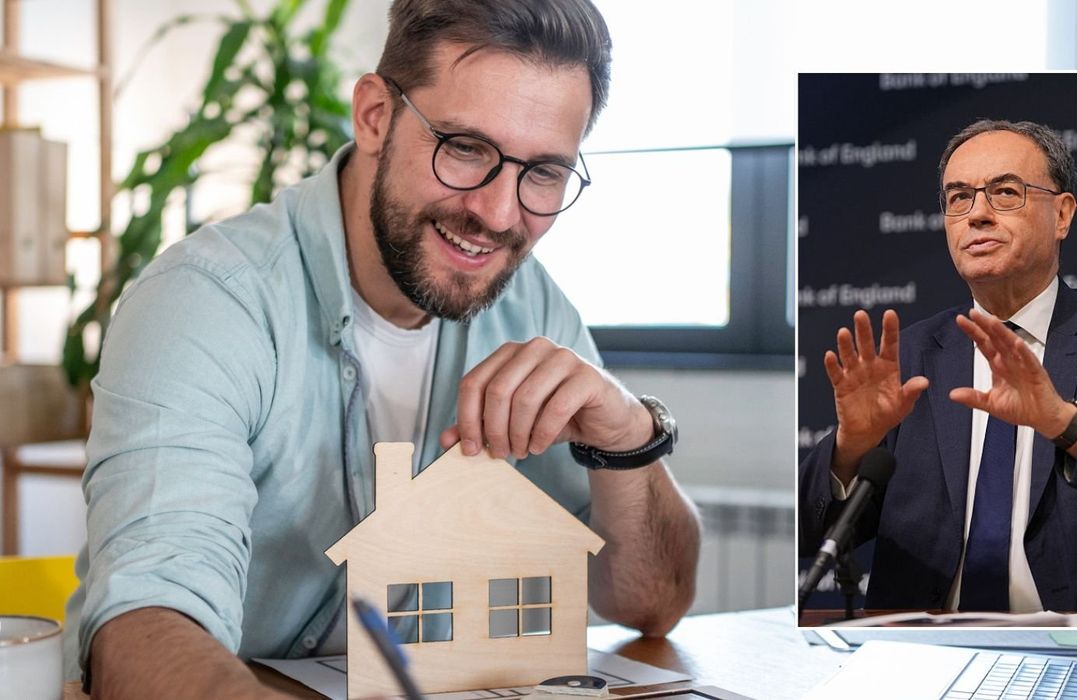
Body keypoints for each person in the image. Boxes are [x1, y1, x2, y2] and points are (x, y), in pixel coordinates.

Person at [66, 1, 700, 696]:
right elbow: (144, 623)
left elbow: (649, 603)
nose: (497, 213)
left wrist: (629, 436)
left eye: (543, 172)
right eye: (464, 148)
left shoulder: (532, 306)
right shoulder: (206, 303)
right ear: (374, 116)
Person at [798, 119, 1077, 614]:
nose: (977, 215)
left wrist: (1065, 423)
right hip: (923, 652)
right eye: (958, 198)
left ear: (1062, 214)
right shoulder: (909, 359)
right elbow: (808, 534)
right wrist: (851, 449)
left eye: (1005, 193)